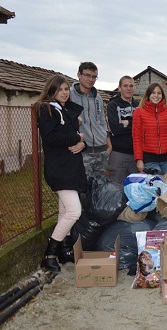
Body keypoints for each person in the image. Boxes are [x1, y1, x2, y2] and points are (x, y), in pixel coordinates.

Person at [35, 75, 87, 272]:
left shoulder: (64, 109)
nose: (64, 92)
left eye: (66, 89)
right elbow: (51, 137)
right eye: (60, 89)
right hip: (59, 169)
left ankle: (63, 250)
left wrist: (82, 143)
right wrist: (76, 137)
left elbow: (78, 139)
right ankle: (49, 253)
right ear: (52, 91)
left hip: (71, 168)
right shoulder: (46, 109)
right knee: (74, 211)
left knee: (65, 211)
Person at [70, 61, 111, 177]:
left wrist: (107, 144)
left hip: (101, 150)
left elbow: (102, 122)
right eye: (87, 75)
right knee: (82, 188)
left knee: (100, 188)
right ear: (79, 74)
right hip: (83, 151)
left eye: (94, 77)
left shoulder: (98, 98)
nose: (91, 79)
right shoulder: (70, 95)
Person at [132, 83, 167, 173]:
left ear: (162, 95)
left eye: (159, 93)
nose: (156, 96)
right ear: (148, 95)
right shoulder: (139, 112)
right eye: (153, 93)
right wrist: (139, 159)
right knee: (156, 185)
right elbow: (137, 138)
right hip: (149, 158)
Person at [106, 76, 139, 183]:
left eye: (131, 86)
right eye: (125, 86)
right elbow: (115, 129)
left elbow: (143, 128)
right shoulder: (112, 105)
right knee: (116, 190)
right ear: (119, 88)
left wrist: (126, 123)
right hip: (118, 154)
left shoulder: (139, 107)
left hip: (136, 155)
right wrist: (133, 124)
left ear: (134, 88)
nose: (128, 88)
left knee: (135, 190)